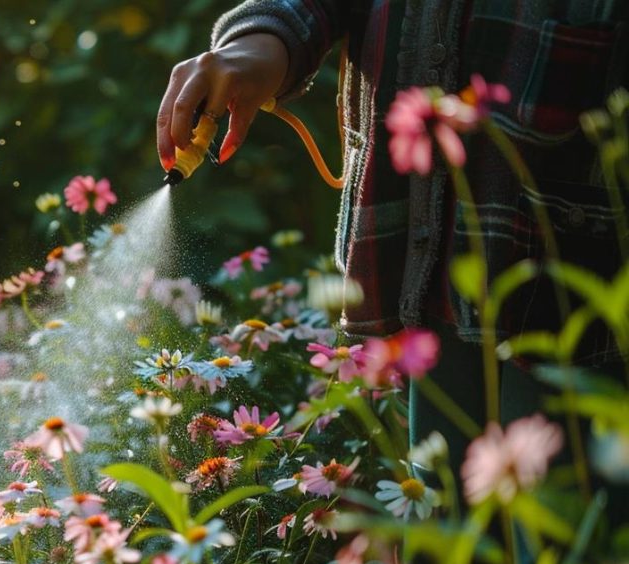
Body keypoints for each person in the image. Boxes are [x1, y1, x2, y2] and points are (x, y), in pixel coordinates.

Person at [157, 1, 628, 490]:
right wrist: (263, 39)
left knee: (568, 531)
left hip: (582, 289)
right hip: (427, 278)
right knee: (440, 526)